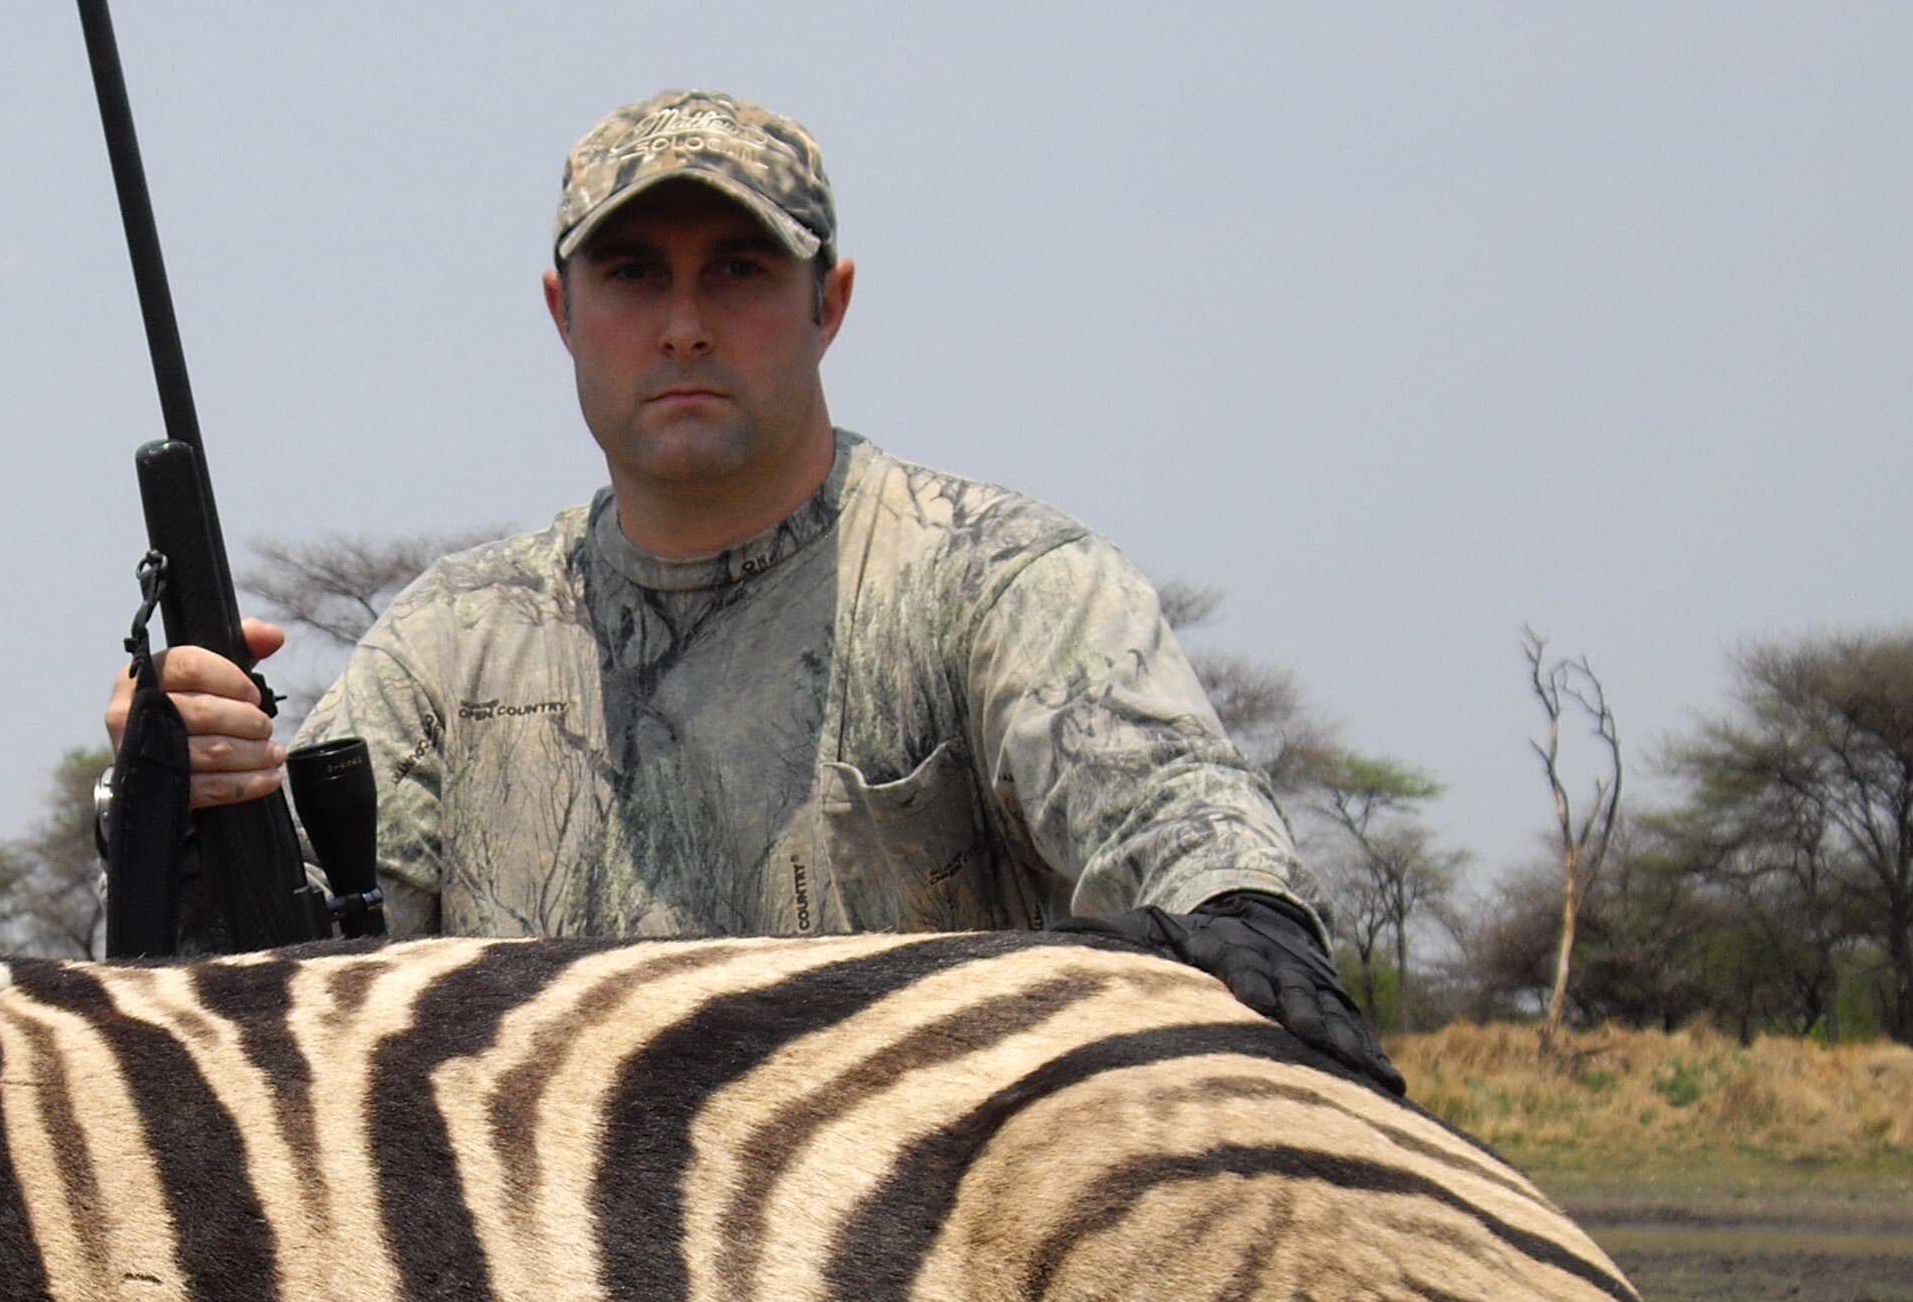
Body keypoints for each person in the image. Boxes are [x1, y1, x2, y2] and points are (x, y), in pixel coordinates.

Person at [100, 89, 1395, 1088]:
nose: (684, 324)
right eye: (633, 273)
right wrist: (188, 790)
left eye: (738, 269)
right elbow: (292, 1002)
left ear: (828, 302)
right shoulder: (449, 646)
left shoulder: (1003, 586)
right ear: (562, 310)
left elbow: (1206, 864)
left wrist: (1251, 958)